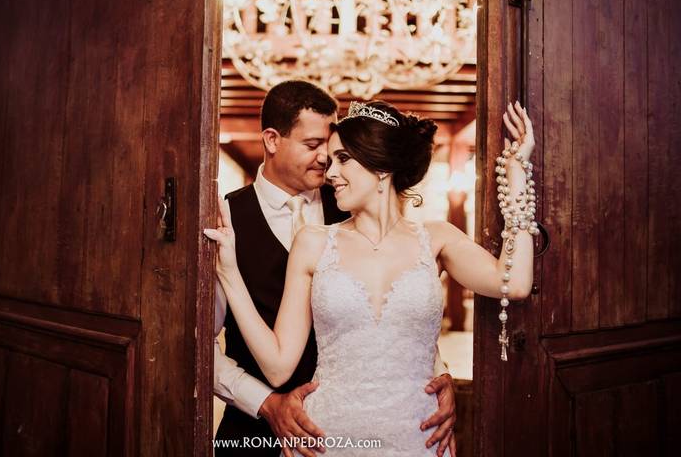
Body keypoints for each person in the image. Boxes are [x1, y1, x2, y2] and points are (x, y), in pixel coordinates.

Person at [206, 98, 536, 456]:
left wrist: (517, 171)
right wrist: (229, 271)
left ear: (381, 168)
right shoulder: (314, 242)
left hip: (418, 437)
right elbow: (277, 368)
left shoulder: (437, 238)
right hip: (328, 438)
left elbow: (515, 283)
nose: (329, 172)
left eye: (342, 159)